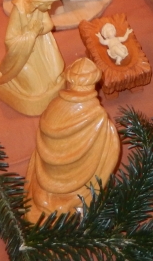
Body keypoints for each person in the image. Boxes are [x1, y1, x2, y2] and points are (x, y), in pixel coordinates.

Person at [24, 58, 119, 220]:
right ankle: (67, 202)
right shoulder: (98, 116)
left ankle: (48, 199)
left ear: (69, 80)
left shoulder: (53, 107)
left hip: (46, 184)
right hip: (79, 187)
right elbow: (110, 153)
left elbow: (41, 150)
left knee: (41, 199)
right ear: (94, 83)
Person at [0, 0, 65, 115]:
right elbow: (9, 40)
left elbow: (49, 24)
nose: (49, 8)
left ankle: (47, 78)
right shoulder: (19, 11)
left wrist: (39, 29)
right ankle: (12, 80)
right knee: (36, 89)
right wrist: (31, 34)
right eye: (47, 4)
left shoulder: (41, 9)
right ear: (40, 1)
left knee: (54, 75)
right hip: (23, 58)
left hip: (40, 51)